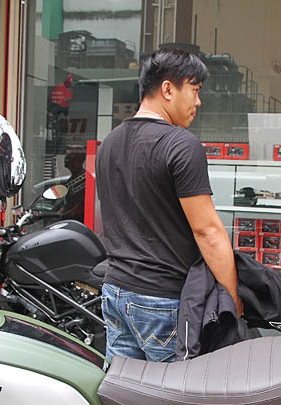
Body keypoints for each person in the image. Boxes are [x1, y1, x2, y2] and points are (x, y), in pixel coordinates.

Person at [96, 47, 241, 362]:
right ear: (167, 89)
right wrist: (232, 299)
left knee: (128, 399)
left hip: (116, 290)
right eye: (195, 90)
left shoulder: (109, 143)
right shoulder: (181, 145)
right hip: (162, 300)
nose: (198, 102)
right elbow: (208, 232)